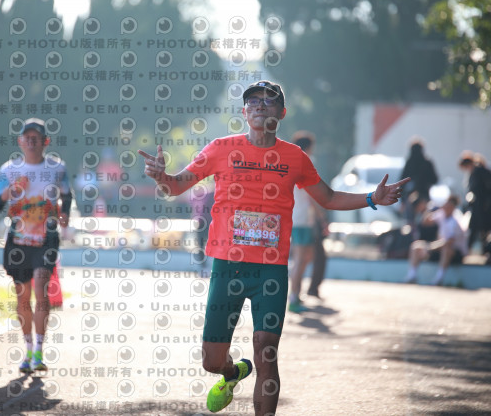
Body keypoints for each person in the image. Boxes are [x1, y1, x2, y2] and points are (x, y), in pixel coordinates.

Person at [138, 80, 409, 415]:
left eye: (269, 101)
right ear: (244, 112)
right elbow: (176, 186)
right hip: (227, 267)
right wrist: (160, 176)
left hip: (271, 270)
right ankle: (231, 373)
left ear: (282, 113)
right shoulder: (221, 148)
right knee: (211, 360)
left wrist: (371, 197)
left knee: (266, 349)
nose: (260, 105)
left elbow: (327, 197)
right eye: (253, 101)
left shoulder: (295, 157)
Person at [0, 118, 72, 373]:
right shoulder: (8, 170)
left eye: (37, 137)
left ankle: (39, 351)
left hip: (46, 237)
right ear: (20, 141)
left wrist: (65, 216)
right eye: (28, 137)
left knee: (41, 289)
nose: (32, 142)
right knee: (23, 296)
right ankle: (27, 350)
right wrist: (10, 191)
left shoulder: (57, 168)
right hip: (18, 240)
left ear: (46, 141)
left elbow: (66, 194)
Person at [288, 131, 327, 312]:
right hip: (301, 218)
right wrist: (322, 216)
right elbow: (313, 194)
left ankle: (296, 294)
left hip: (301, 218)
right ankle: (293, 298)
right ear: (308, 147)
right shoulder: (304, 163)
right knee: (300, 258)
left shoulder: (293, 162)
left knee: (306, 257)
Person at [405, 195, 468, 285]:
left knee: (447, 249)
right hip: (439, 248)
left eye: (447, 205)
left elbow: (449, 242)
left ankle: (439, 279)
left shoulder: (456, 220)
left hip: (456, 253)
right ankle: (412, 276)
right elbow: (425, 221)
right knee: (416, 246)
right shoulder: (441, 214)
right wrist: (427, 208)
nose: (445, 207)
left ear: (452, 207)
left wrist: (430, 248)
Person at [458, 151, 491, 258]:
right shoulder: (473, 173)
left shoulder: (480, 172)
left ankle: (485, 252)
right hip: (477, 207)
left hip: (484, 207)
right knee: (474, 229)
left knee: (484, 230)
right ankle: (468, 251)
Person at [400, 139, 438, 223]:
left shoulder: (410, 163)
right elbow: (435, 179)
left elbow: (402, 182)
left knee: (411, 221)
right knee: (424, 220)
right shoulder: (427, 162)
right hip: (423, 195)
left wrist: (402, 200)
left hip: (412, 196)